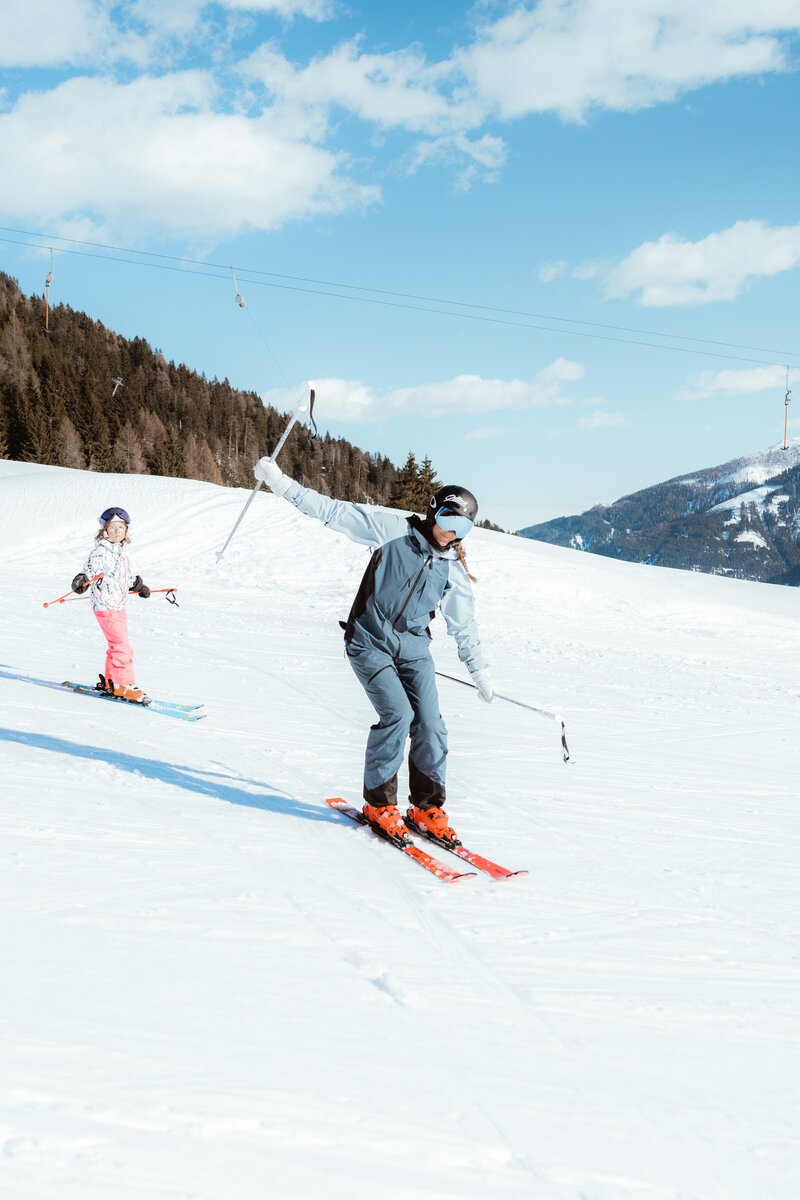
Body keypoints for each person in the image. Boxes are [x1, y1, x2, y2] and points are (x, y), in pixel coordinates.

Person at [253, 459, 495, 845]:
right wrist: (280, 483)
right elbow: (333, 512)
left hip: (414, 650)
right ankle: (380, 805)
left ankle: (427, 807)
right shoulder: (393, 531)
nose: (453, 533)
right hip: (368, 641)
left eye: (463, 528)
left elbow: (464, 625)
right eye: (449, 521)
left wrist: (479, 671)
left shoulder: (452, 569)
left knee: (431, 724)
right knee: (398, 714)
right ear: (433, 511)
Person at [71, 506, 151, 703]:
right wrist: (82, 579)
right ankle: (124, 685)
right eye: (112, 527)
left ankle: (111, 681)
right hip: (106, 605)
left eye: (121, 527)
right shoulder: (101, 551)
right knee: (122, 647)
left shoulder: (121, 552)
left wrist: (139, 586)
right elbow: (90, 570)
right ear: (105, 530)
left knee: (116, 645)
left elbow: (125, 577)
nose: (117, 531)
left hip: (118, 605)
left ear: (126, 530)